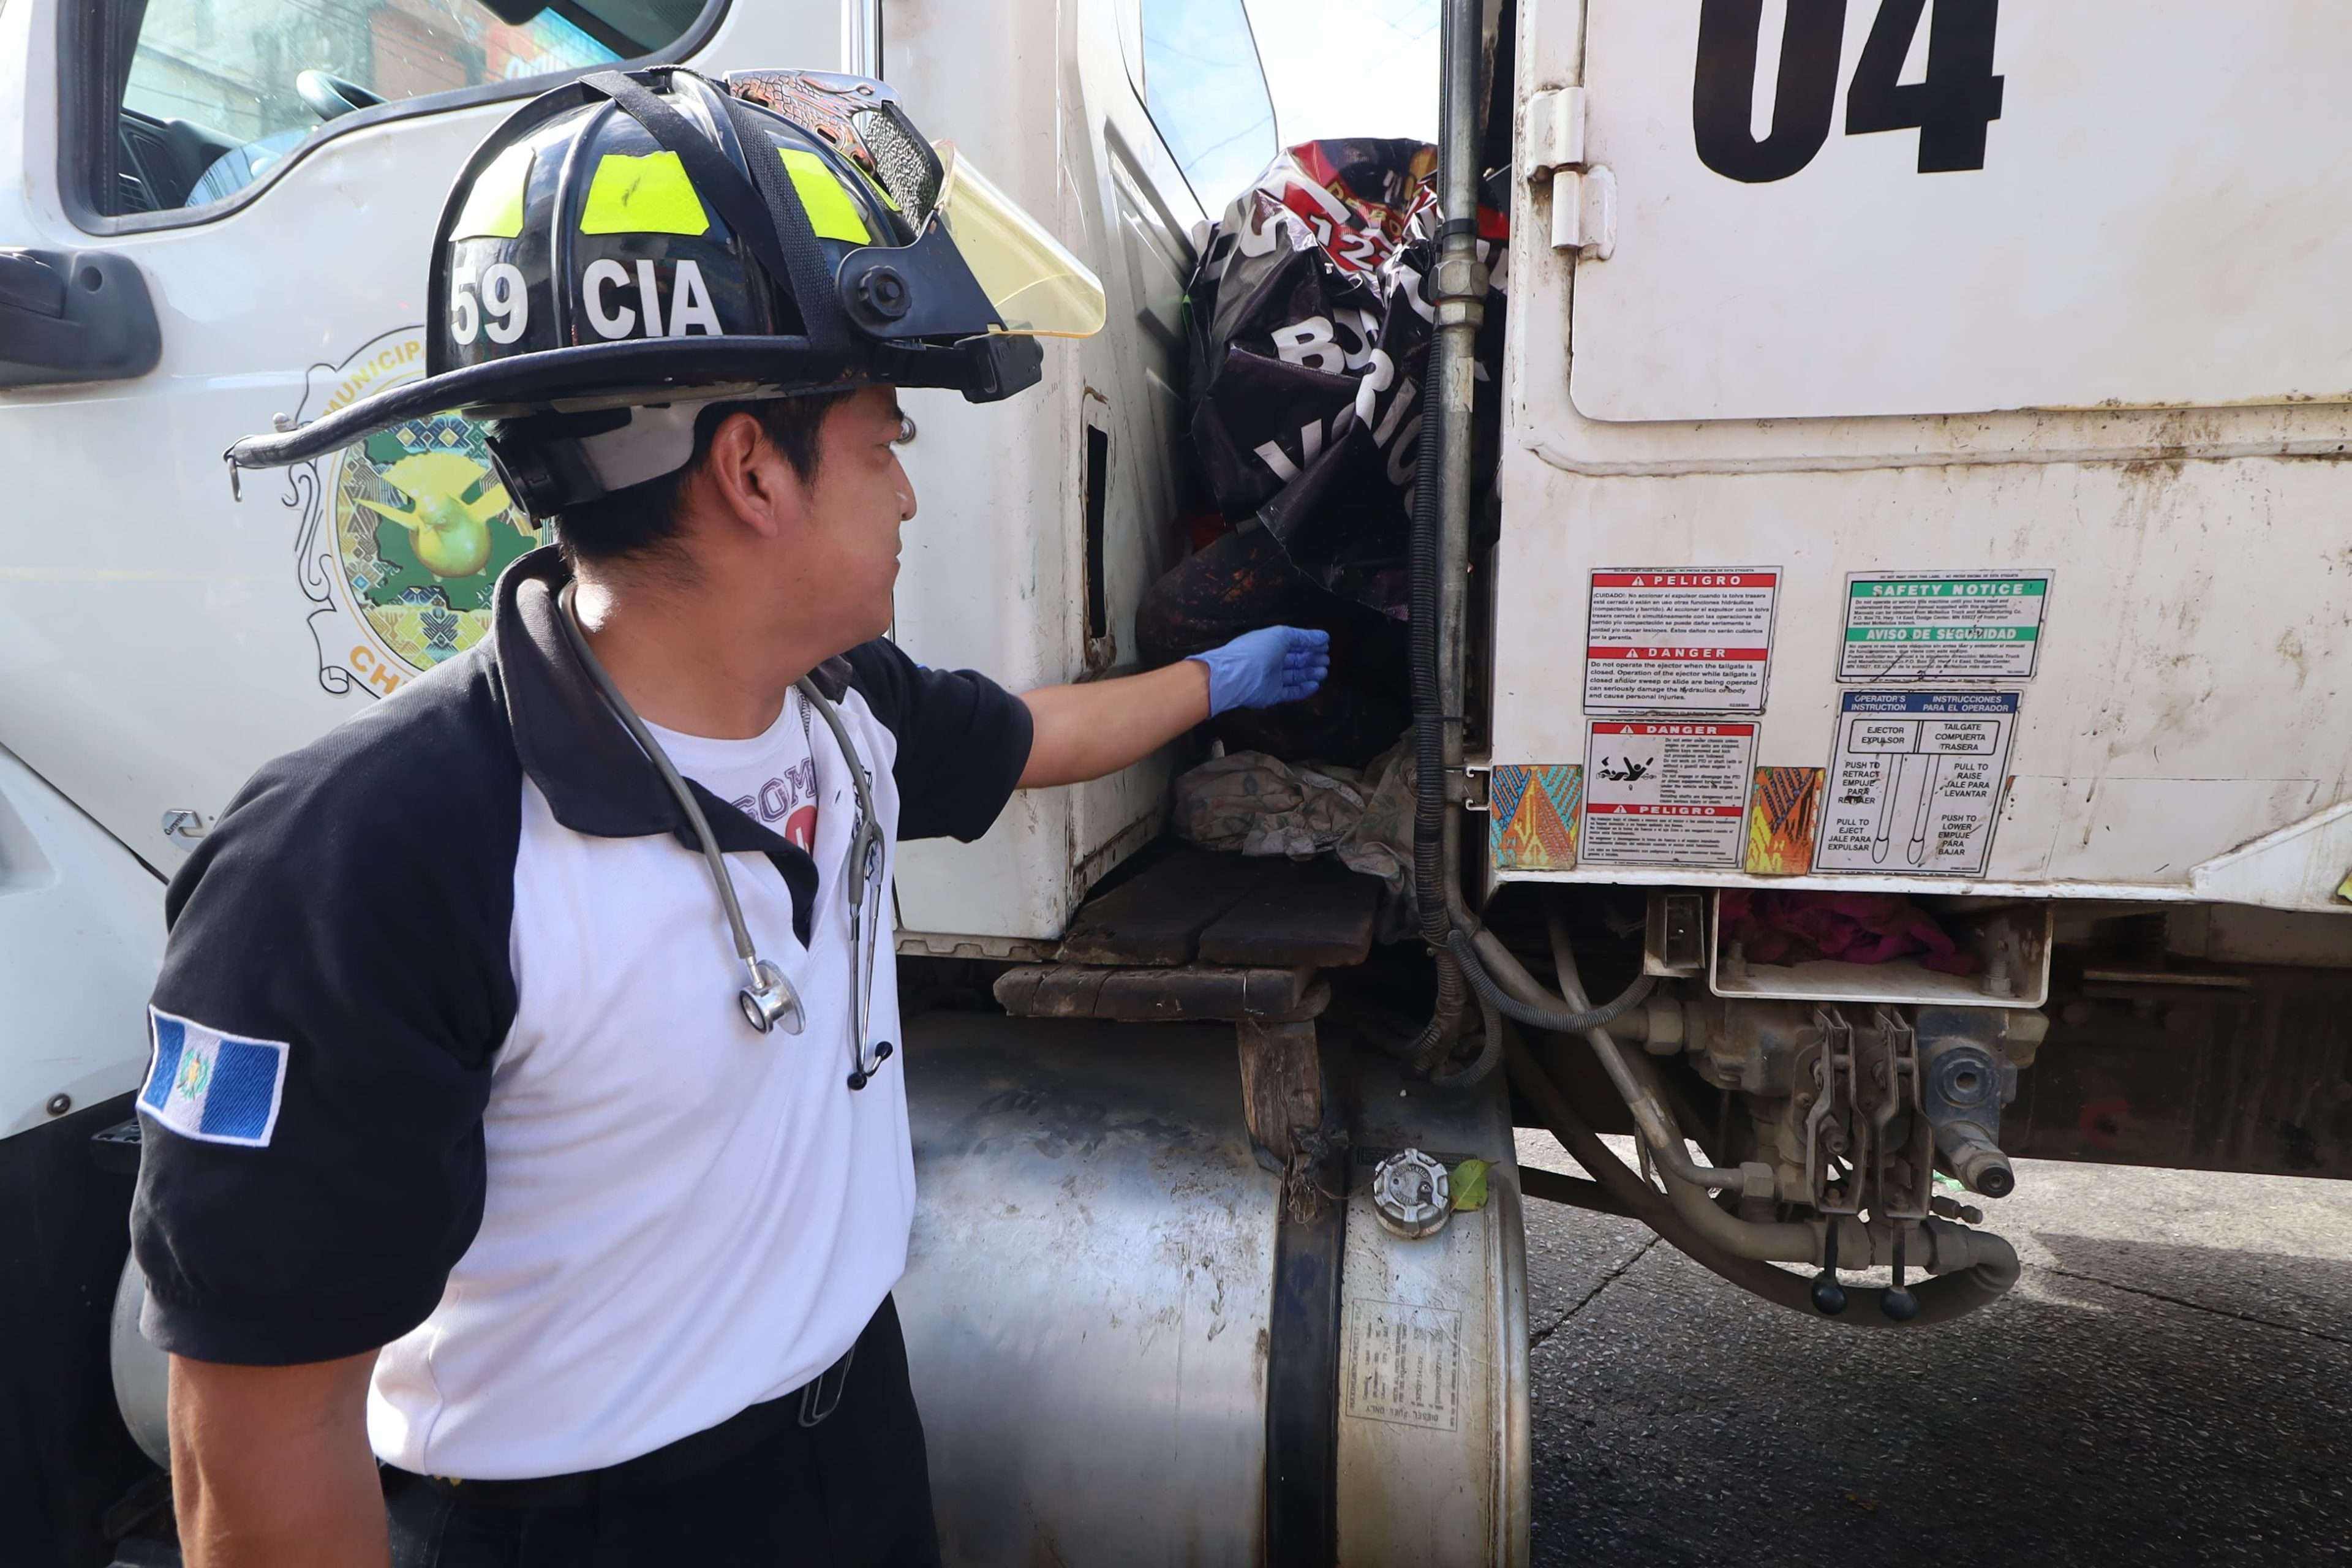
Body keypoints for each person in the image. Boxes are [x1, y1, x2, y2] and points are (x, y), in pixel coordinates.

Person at [135, 66, 1329, 1568]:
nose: (907, 496)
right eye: (887, 442)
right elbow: (256, 1442)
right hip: (580, 1525)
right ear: (753, 468)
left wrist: (1216, 678)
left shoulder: (843, 704)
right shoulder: (369, 853)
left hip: (852, 1439)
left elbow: (1033, 736)